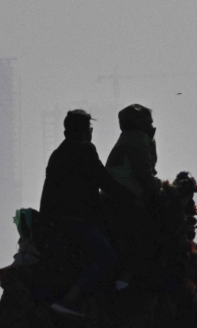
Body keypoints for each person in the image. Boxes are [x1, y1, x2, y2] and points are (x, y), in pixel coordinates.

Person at [39, 110, 129, 317]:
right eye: (89, 127)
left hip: (55, 221)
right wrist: (134, 197)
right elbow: (104, 181)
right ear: (85, 130)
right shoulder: (85, 149)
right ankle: (71, 299)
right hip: (75, 221)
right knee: (106, 257)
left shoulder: (57, 154)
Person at [106, 104, 161, 288]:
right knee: (153, 237)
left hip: (114, 198)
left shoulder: (126, 139)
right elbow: (144, 175)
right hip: (127, 200)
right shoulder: (138, 139)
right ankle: (125, 280)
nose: (152, 124)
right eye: (149, 121)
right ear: (138, 122)